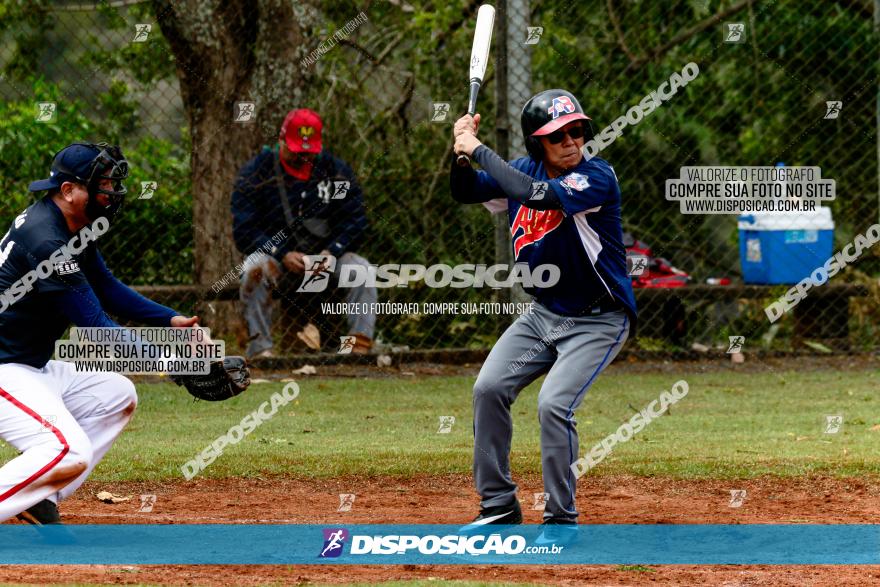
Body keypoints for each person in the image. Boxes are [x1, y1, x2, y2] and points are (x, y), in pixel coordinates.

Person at [450, 90, 637, 536]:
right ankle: (498, 505)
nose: (572, 141)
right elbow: (465, 191)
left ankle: (560, 519)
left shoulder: (596, 177)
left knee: (554, 404)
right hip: (543, 313)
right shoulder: (522, 167)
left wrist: (477, 149)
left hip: (598, 318)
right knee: (488, 388)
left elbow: (532, 195)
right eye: (558, 136)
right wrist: (458, 152)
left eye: (577, 131)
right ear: (538, 145)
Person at [0, 142, 199, 525]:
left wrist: (171, 320)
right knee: (70, 452)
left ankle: (39, 498)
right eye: (101, 183)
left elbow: (106, 288)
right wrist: (175, 362)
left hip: (27, 365)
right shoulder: (48, 243)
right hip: (5, 369)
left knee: (116, 395)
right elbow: (96, 326)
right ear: (69, 191)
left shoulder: (67, 225)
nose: (111, 191)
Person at [232, 109, 376, 358]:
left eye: (309, 152)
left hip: (327, 258)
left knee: (362, 271)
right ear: (281, 140)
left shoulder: (336, 173)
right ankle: (262, 351)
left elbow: (355, 221)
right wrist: (282, 252)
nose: (303, 156)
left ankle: (357, 352)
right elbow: (244, 229)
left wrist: (332, 252)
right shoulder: (256, 173)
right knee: (254, 269)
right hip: (277, 258)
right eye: (297, 150)